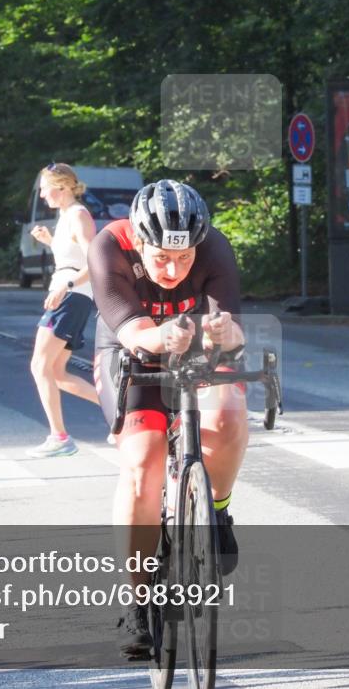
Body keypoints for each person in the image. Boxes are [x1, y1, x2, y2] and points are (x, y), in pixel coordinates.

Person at [88, 179, 247, 659]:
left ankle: (216, 512)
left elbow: (233, 330)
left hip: (197, 344)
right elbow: (135, 330)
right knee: (143, 464)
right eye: (161, 259)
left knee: (228, 419)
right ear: (139, 240)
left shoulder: (214, 246)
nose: (174, 269)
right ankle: (139, 600)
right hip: (131, 347)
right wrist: (164, 335)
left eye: (185, 259)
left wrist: (224, 330)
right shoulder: (108, 246)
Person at [26, 162, 99, 458]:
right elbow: (72, 255)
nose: (43, 196)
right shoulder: (67, 216)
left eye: (45, 189)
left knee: (39, 365)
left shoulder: (79, 215)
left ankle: (60, 437)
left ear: (61, 187)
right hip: (70, 295)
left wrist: (65, 286)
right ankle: (122, 412)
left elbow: (95, 262)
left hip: (71, 297)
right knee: (56, 372)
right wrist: (50, 241)